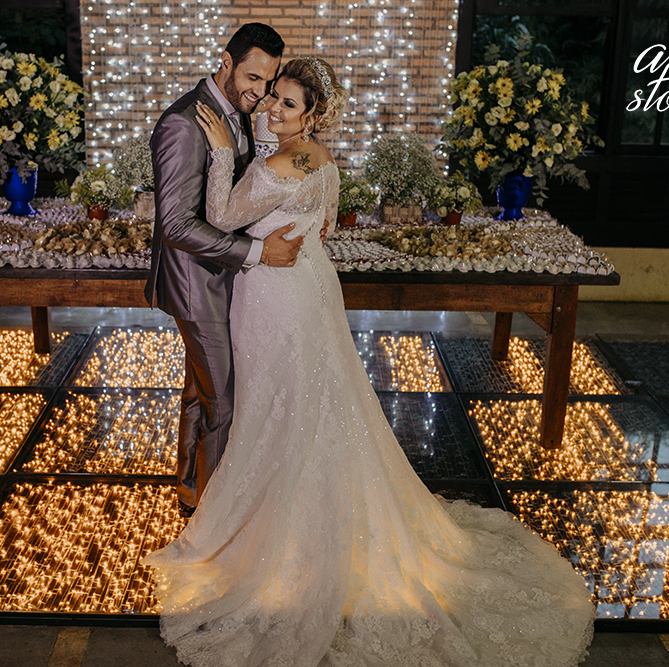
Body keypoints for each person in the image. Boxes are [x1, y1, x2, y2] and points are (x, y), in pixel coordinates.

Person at [145, 57, 596, 667]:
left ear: (314, 115)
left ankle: (275, 536)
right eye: (272, 97)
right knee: (313, 397)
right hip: (309, 288)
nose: (272, 109)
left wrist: (224, 150)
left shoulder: (277, 163)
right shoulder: (323, 160)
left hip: (275, 297)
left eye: (287, 104)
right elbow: (324, 226)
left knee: (277, 401)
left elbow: (222, 217)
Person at [144, 23, 304, 518]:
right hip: (197, 285)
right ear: (226, 61)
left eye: (268, 83)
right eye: (253, 77)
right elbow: (175, 224)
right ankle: (213, 521)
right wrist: (256, 253)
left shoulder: (238, 112)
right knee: (226, 403)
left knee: (201, 393)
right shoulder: (183, 123)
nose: (260, 92)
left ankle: (192, 495)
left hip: (221, 280)